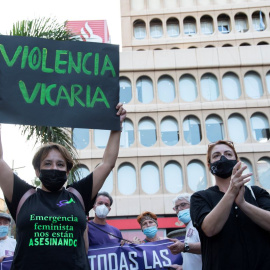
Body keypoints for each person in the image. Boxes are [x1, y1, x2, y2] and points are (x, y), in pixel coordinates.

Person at [0, 102, 126, 270]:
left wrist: (116, 127)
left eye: (60, 164)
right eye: (48, 163)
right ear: (37, 171)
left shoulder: (79, 195)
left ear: (67, 172)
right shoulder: (23, 196)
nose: (54, 168)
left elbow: (107, 163)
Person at [190, 140, 270, 270]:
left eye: (228, 154)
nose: (223, 158)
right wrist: (231, 192)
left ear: (237, 161)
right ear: (209, 165)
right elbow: (209, 229)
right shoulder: (200, 198)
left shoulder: (256, 193)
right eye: (216, 155)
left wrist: (243, 204)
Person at [168, 193, 202, 270]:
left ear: (193, 205)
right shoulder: (189, 227)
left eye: (183, 205)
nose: (179, 209)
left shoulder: (199, 224)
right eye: (176, 207)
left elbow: (208, 246)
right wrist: (182, 267)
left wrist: (184, 246)